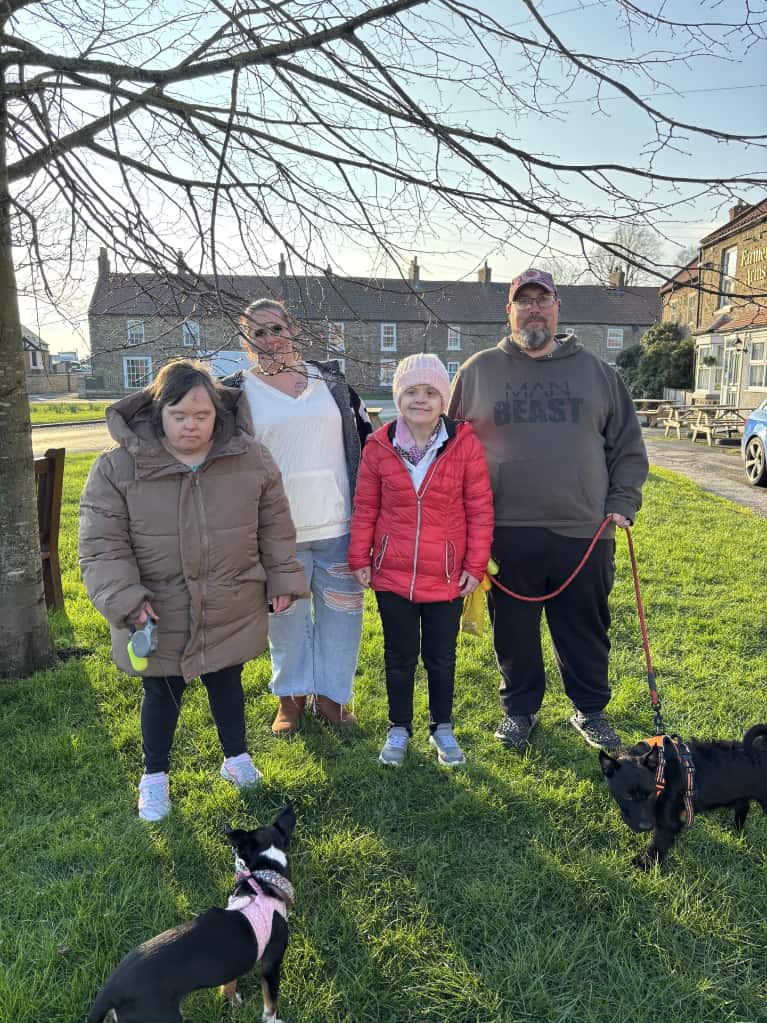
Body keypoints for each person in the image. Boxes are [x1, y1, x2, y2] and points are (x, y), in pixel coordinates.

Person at [79, 360, 306, 821]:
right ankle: (155, 776)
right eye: (179, 415)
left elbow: (276, 525)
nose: (191, 426)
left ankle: (237, 758)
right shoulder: (118, 468)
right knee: (162, 692)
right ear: (159, 412)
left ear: (218, 415)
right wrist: (127, 602)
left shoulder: (251, 458)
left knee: (228, 681)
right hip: (157, 609)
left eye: (202, 417)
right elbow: (103, 546)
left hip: (230, 597)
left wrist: (283, 579)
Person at [448, 268, 649, 753]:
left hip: (584, 529)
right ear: (509, 311)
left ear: (558, 308)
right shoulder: (477, 371)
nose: (533, 308)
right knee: (513, 631)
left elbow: (627, 446)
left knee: (584, 627)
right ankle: (520, 711)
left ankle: (590, 710)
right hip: (504, 530)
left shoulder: (599, 373)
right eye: (524, 301)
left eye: (543, 300)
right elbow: (449, 449)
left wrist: (622, 502)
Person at [226, 298, 371, 736]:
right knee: (284, 621)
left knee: (342, 618)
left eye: (276, 329)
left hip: (338, 527)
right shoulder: (233, 392)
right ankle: (290, 698)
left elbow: (368, 445)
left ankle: (332, 697)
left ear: (293, 330)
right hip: (275, 535)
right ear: (246, 341)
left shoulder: (332, 383)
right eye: (258, 333)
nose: (269, 340)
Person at [348, 354, 494, 768]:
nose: (421, 400)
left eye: (431, 392)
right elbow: (365, 508)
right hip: (392, 575)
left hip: (447, 575)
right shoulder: (378, 447)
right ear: (398, 397)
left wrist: (474, 565)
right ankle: (399, 728)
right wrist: (360, 556)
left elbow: (480, 509)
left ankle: (442, 727)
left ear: (443, 400)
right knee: (399, 656)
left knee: (441, 657)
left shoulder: (464, 445)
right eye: (412, 391)